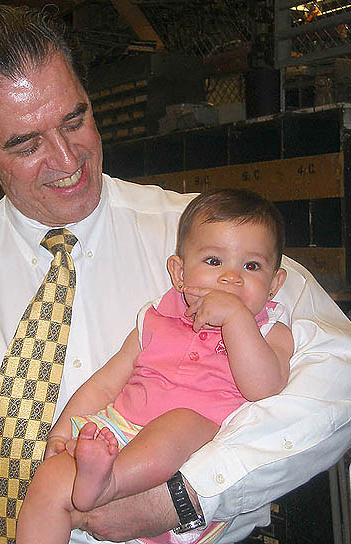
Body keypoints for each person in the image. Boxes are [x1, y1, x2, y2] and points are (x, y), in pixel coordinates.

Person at [0, 5, 351, 544]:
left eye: (75, 121)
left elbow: (342, 374)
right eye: (27, 144)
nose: (67, 159)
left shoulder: (209, 241)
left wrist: (187, 494)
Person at [16, 189, 293, 544]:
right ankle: (94, 483)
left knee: (180, 422)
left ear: (274, 284)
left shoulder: (270, 331)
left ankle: (110, 483)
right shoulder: (155, 318)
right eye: (213, 261)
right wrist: (61, 432)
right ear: (179, 273)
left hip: (189, 460)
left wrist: (237, 318)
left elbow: (264, 389)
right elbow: (105, 384)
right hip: (117, 438)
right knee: (47, 482)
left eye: (251, 266)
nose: (230, 278)